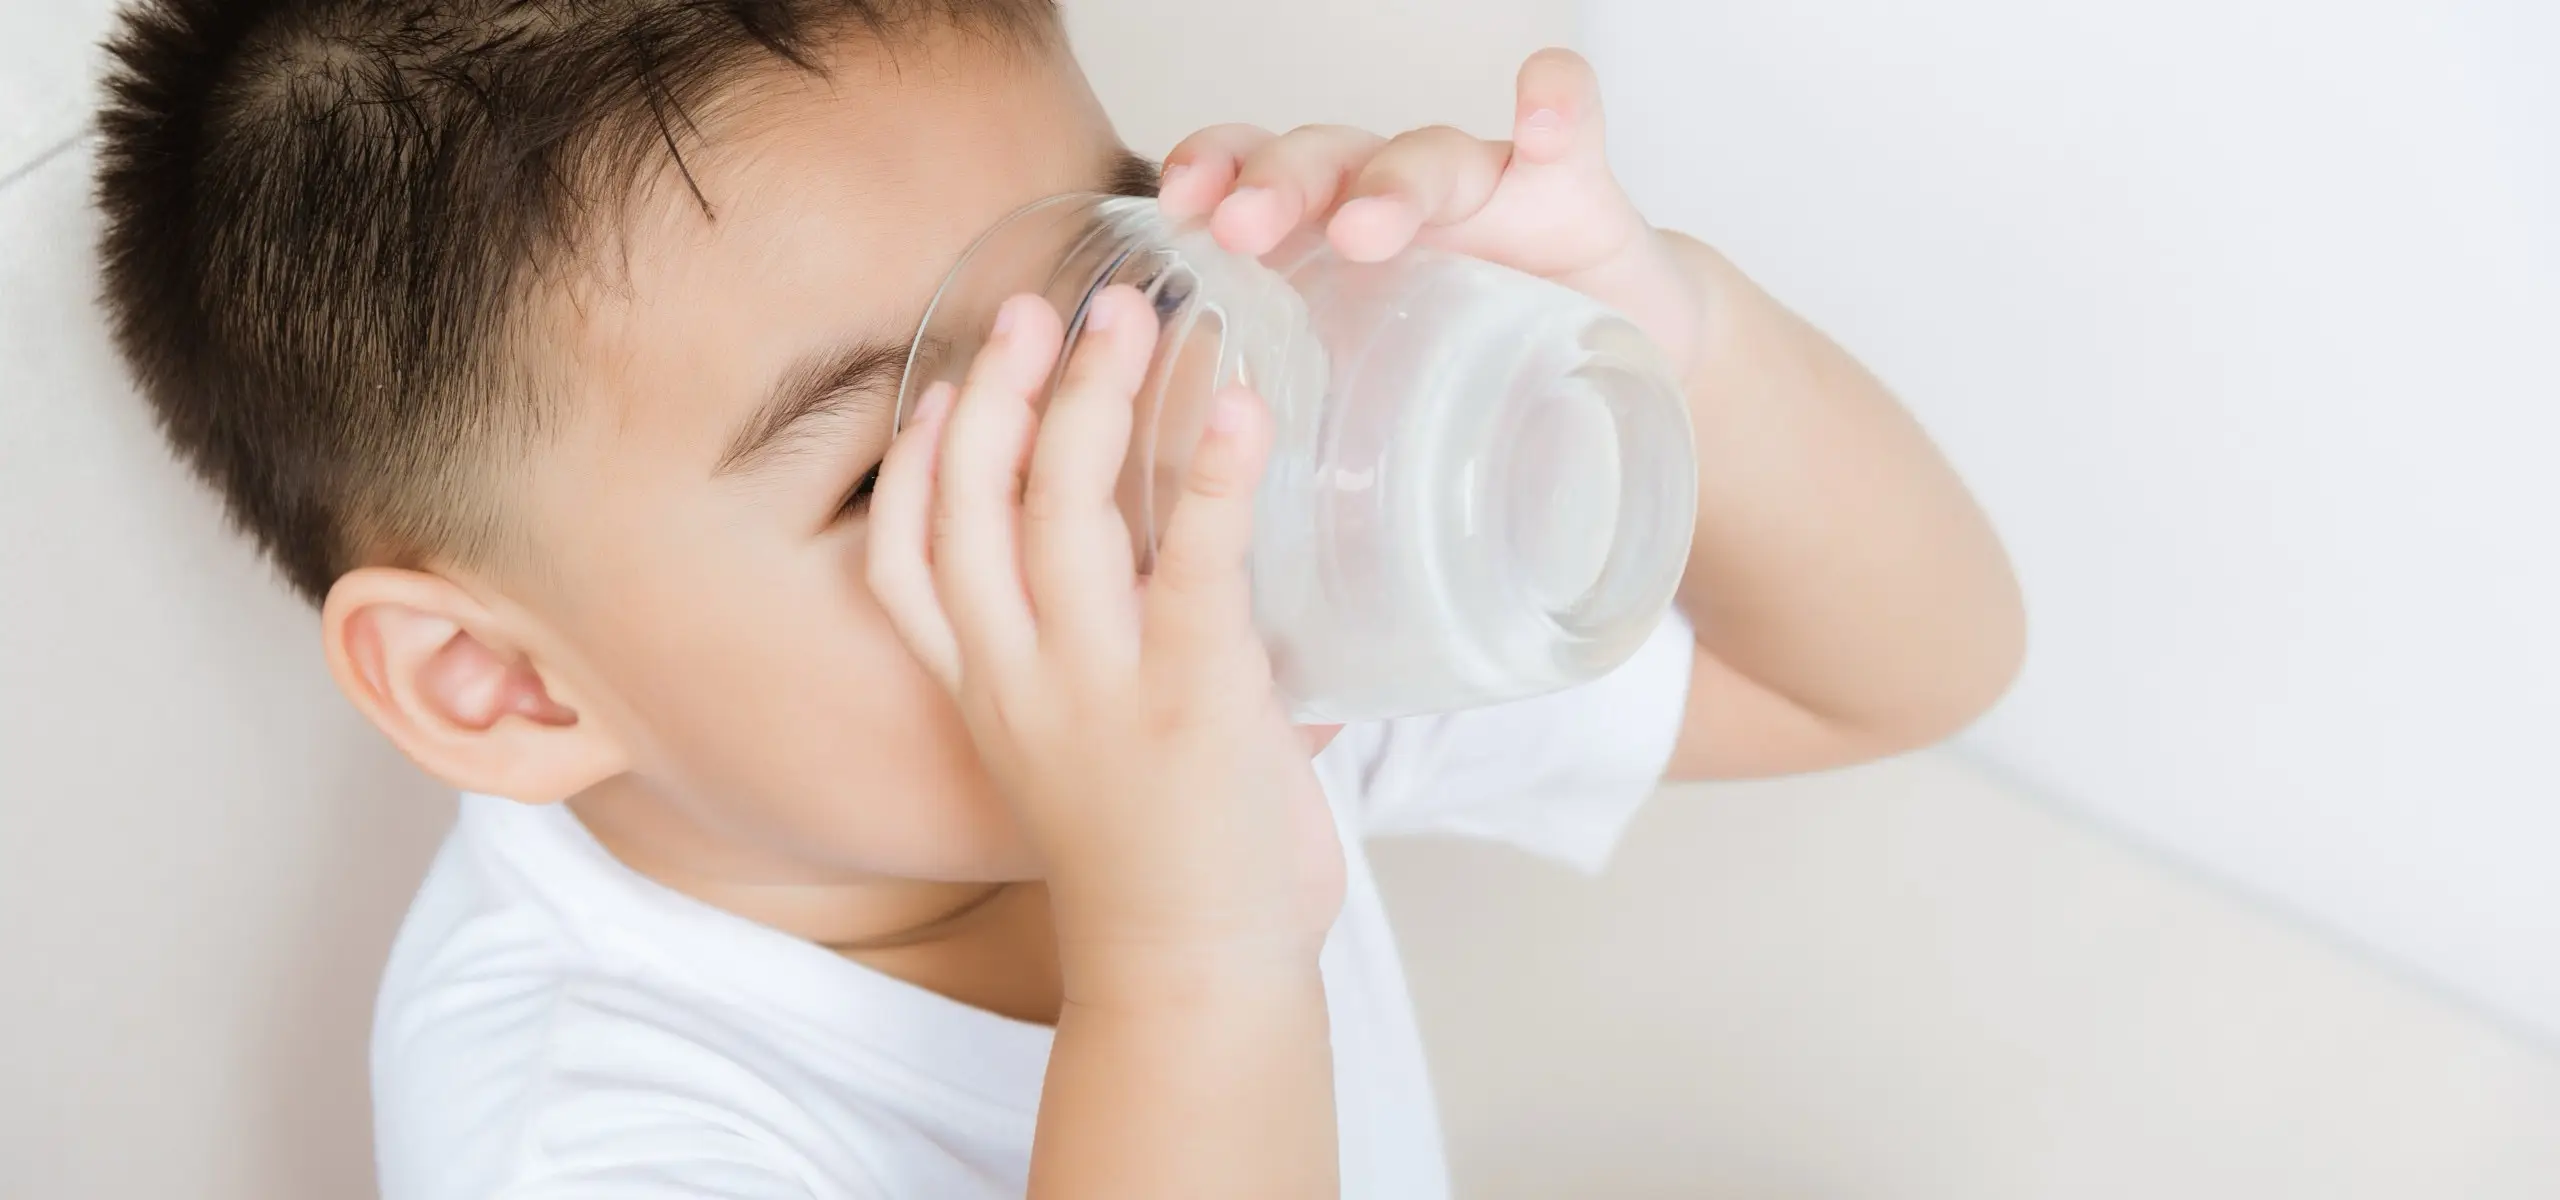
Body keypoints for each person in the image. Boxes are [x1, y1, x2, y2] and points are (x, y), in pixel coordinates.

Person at [93, 2, 2024, 1196]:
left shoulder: (1203, 638)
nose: (1130, 450)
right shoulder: (588, 1131)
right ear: (497, 686)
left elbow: (1906, 675)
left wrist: (1665, 327)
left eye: (1120, 285)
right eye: (888, 473)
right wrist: (1191, 959)